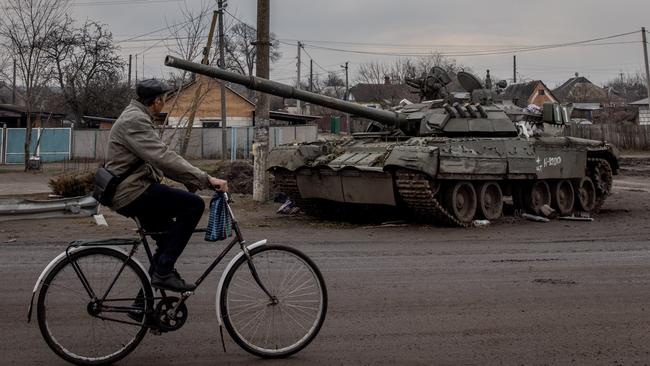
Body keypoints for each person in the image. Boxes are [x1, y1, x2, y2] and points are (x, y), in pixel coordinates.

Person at [106, 78, 227, 292]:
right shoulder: (135, 121)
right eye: (164, 99)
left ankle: (142, 307)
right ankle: (163, 273)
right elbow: (162, 157)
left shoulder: (137, 116)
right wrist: (205, 179)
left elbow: (157, 160)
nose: (165, 103)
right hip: (132, 192)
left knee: (167, 239)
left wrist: (188, 180)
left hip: (132, 189)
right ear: (157, 101)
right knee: (193, 205)